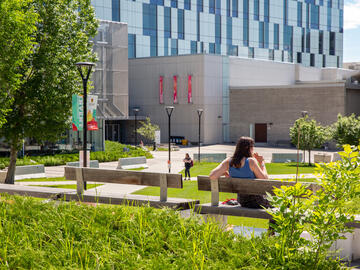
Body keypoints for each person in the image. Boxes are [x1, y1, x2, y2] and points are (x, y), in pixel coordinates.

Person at [209, 136, 270, 208]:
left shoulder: (229, 161)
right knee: (282, 203)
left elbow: (212, 175)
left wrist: (224, 172)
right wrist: (262, 163)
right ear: (249, 148)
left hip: (242, 201)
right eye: (252, 147)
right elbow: (265, 180)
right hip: (257, 201)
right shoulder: (251, 161)